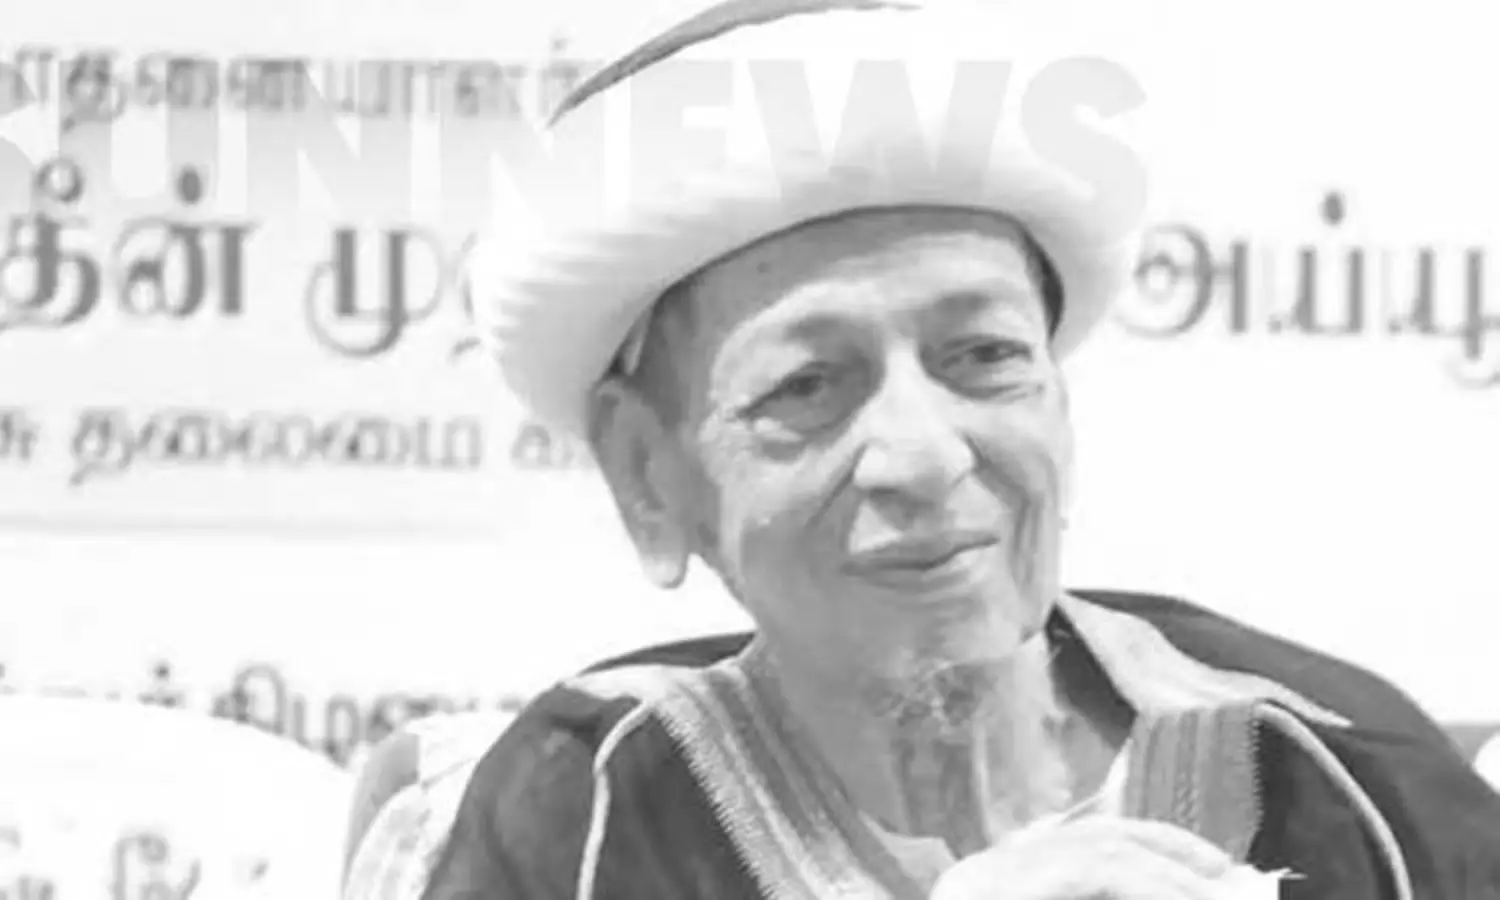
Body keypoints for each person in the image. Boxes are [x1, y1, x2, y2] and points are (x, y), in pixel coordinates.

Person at [344, 0, 1500, 897]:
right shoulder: (580, 813)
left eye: (983, 356)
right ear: (649, 477)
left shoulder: (1346, 773)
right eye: (807, 385)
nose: (923, 454)